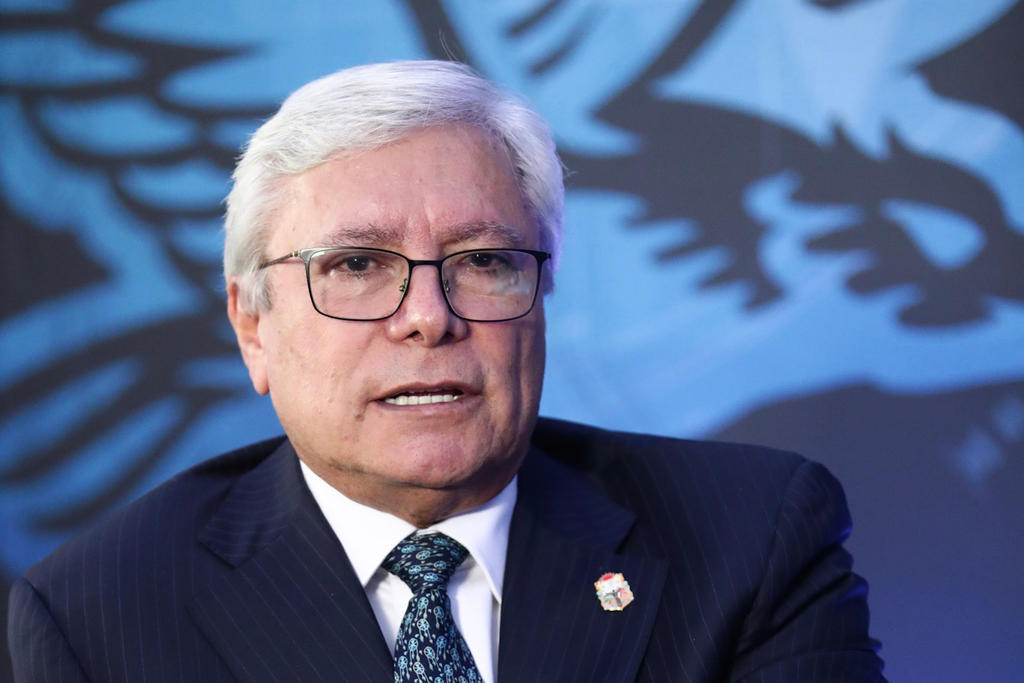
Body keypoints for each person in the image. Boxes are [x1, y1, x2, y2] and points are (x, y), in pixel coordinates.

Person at [8, 60, 885, 682]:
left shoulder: (752, 540)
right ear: (253, 327)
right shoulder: (96, 615)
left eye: (483, 261)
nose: (429, 316)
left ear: (541, 296)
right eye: (356, 265)